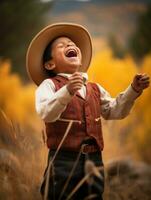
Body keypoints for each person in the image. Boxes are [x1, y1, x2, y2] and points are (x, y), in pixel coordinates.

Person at [26, 23, 150, 200]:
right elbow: (46, 112)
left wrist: (133, 90)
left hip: (94, 160)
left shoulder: (94, 88)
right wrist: (67, 91)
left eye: (71, 43)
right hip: (63, 161)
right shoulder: (49, 85)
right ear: (50, 63)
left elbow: (114, 110)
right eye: (61, 46)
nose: (69, 45)